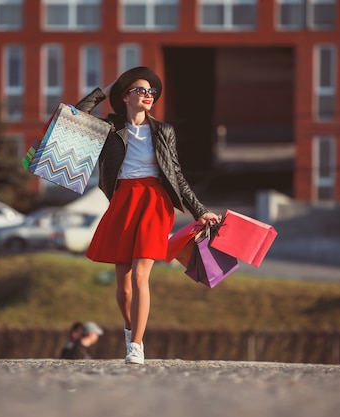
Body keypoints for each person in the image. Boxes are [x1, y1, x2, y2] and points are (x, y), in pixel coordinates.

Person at [84, 67, 220, 365]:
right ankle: (130, 327)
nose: (148, 95)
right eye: (141, 90)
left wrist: (200, 210)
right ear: (125, 97)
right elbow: (76, 117)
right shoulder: (109, 128)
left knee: (142, 275)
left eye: (151, 92)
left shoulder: (163, 131)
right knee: (124, 286)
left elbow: (177, 175)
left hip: (155, 202)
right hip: (123, 201)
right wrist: (103, 92)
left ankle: (136, 345)